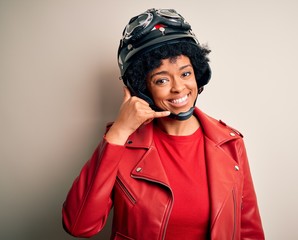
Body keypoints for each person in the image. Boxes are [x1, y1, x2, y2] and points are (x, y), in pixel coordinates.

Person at [62, 8, 265, 240]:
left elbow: (249, 231)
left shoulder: (230, 143)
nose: (178, 87)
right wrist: (119, 131)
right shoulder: (122, 144)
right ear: (142, 88)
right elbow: (79, 225)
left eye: (185, 74)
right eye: (162, 79)